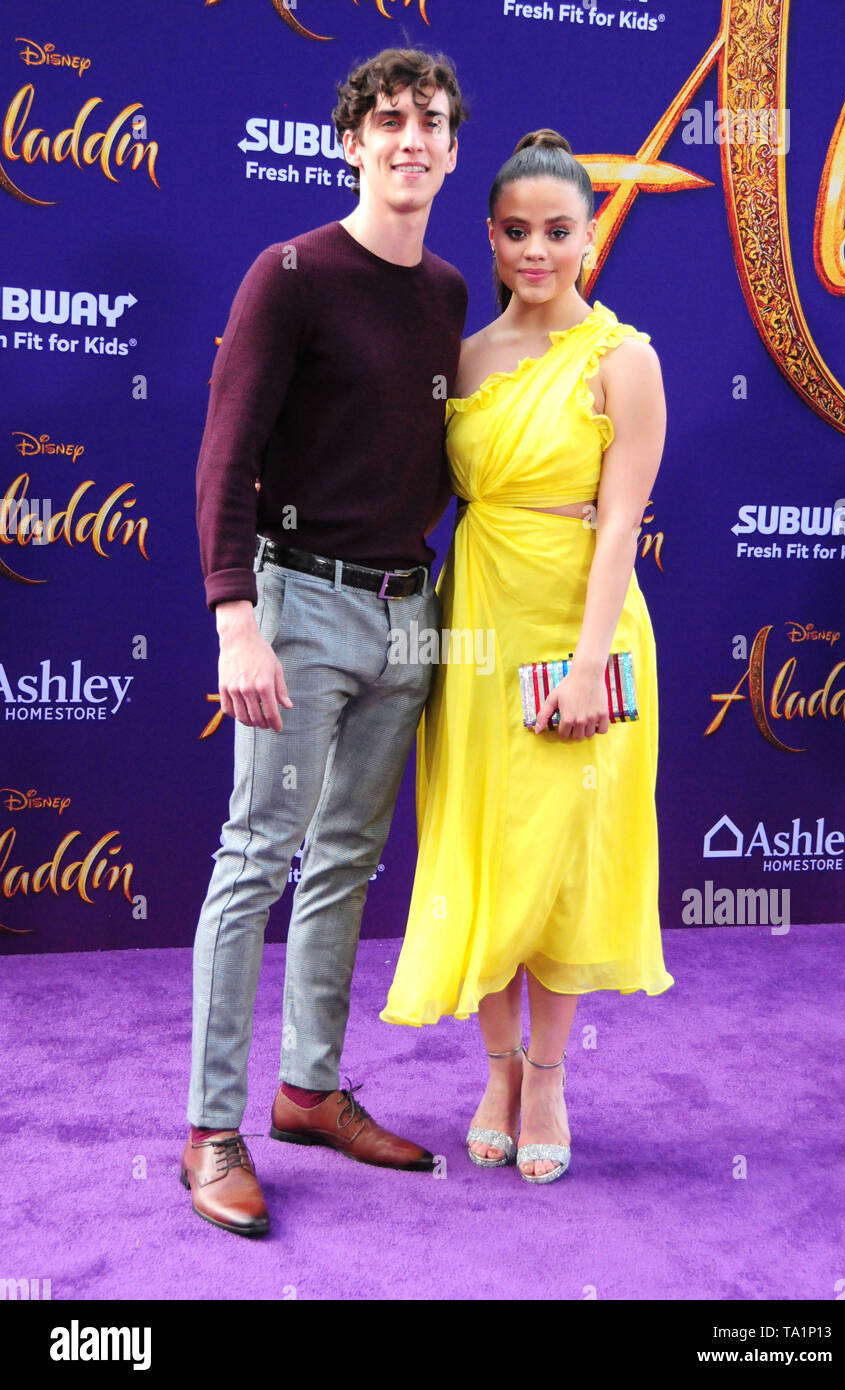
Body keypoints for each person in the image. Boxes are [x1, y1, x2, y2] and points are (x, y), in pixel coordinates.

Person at [181, 47, 468, 1236]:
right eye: (388, 121)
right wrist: (234, 615)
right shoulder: (289, 274)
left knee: (347, 856)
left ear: (453, 150)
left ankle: (307, 1089)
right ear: (350, 140)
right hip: (297, 608)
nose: (411, 139)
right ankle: (209, 1128)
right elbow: (225, 450)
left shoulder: (451, 292)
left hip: (412, 616)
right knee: (259, 856)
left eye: (433, 123)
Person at [381, 130, 675, 1183]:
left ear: (591, 236)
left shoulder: (625, 361)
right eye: (517, 232)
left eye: (558, 230)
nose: (537, 249)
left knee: (559, 860)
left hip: (579, 628)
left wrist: (592, 661)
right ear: (494, 239)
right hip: (476, 628)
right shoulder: (465, 356)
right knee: (483, 846)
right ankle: (497, 1066)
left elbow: (621, 527)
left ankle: (549, 1073)